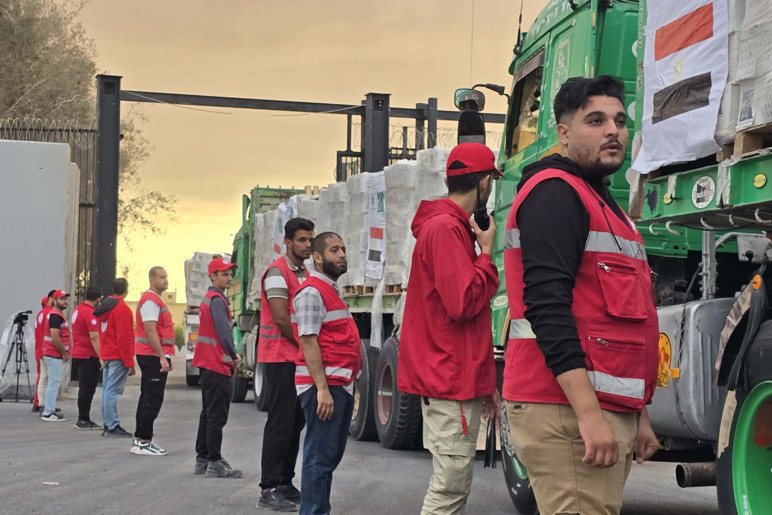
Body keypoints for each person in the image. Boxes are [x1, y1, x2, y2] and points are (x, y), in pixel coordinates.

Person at [502, 75, 660, 515]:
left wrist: (638, 414)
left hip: (596, 407)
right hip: (566, 410)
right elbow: (547, 309)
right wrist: (590, 416)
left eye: (619, 120)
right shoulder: (556, 194)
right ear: (564, 133)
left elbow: (624, 321)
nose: (613, 130)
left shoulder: (603, 202)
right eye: (596, 120)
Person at [397, 142, 502, 515]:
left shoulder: (451, 228)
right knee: (449, 488)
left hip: (455, 377)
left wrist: (484, 383)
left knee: (453, 484)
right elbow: (463, 305)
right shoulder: (445, 230)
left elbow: (465, 320)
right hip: (449, 379)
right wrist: (487, 255)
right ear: (485, 182)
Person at [291, 232, 361, 515]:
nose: (342, 254)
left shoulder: (330, 290)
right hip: (325, 387)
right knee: (319, 459)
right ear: (317, 257)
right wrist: (321, 389)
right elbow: (308, 341)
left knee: (328, 457)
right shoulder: (311, 293)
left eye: (344, 248)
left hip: (338, 384)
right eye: (334, 250)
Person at [257, 218, 314, 511]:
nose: (307, 245)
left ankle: (284, 482)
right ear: (288, 242)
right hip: (281, 357)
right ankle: (268, 487)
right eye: (302, 240)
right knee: (280, 422)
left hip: (297, 357)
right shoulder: (278, 273)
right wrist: (307, 346)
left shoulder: (303, 273)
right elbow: (281, 319)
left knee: (295, 422)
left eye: (309, 240)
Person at [193, 257, 243, 478]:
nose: (229, 277)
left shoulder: (209, 299)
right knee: (216, 415)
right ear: (212, 276)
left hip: (207, 363)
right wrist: (234, 355)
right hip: (216, 364)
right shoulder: (217, 300)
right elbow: (224, 332)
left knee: (208, 412)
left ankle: (203, 459)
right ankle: (214, 462)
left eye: (230, 273)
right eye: (224, 274)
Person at [132, 266, 175, 456]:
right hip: (150, 355)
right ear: (152, 279)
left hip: (151, 354)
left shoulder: (155, 300)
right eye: (162, 277)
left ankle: (141, 439)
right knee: (152, 399)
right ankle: (143, 441)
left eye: (166, 277)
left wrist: (167, 356)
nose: (165, 281)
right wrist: (161, 357)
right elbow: (150, 331)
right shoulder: (150, 300)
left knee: (147, 397)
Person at [95, 278, 135, 438]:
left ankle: (107, 423)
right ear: (126, 290)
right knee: (112, 392)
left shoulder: (104, 308)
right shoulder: (122, 309)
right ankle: (112, 425)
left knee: (107, 391)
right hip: (118, 355)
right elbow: (124, 338)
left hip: (107, 354)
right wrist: (129, 362)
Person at [70, 286, 103, 429]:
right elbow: (94, 336)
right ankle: (83, 419)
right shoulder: (89, 313)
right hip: (88, 355)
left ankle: (84, 418)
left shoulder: (76, 311)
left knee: (84, 388)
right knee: (87, 389)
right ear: (97, 299)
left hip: (78, 353)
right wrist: (101, 356)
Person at [41, 290, 71, 422]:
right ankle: (48, 412)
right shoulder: (55, 316)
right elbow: (55, 336)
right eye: (62, 299)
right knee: (53, 383)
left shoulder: (55, 315)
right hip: (54, 354)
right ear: (54, 300)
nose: (65, 301)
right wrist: (64, 353)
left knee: (52, 383)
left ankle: (50, 409)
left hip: (51, 353)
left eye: (66, 299)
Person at [32, 291, 55, 413]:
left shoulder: (40, 314)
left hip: (39, 348)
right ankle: (40, 402)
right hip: (45, 349)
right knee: (45, 378)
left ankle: (38, 402)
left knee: (41, 377)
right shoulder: (49, 313)